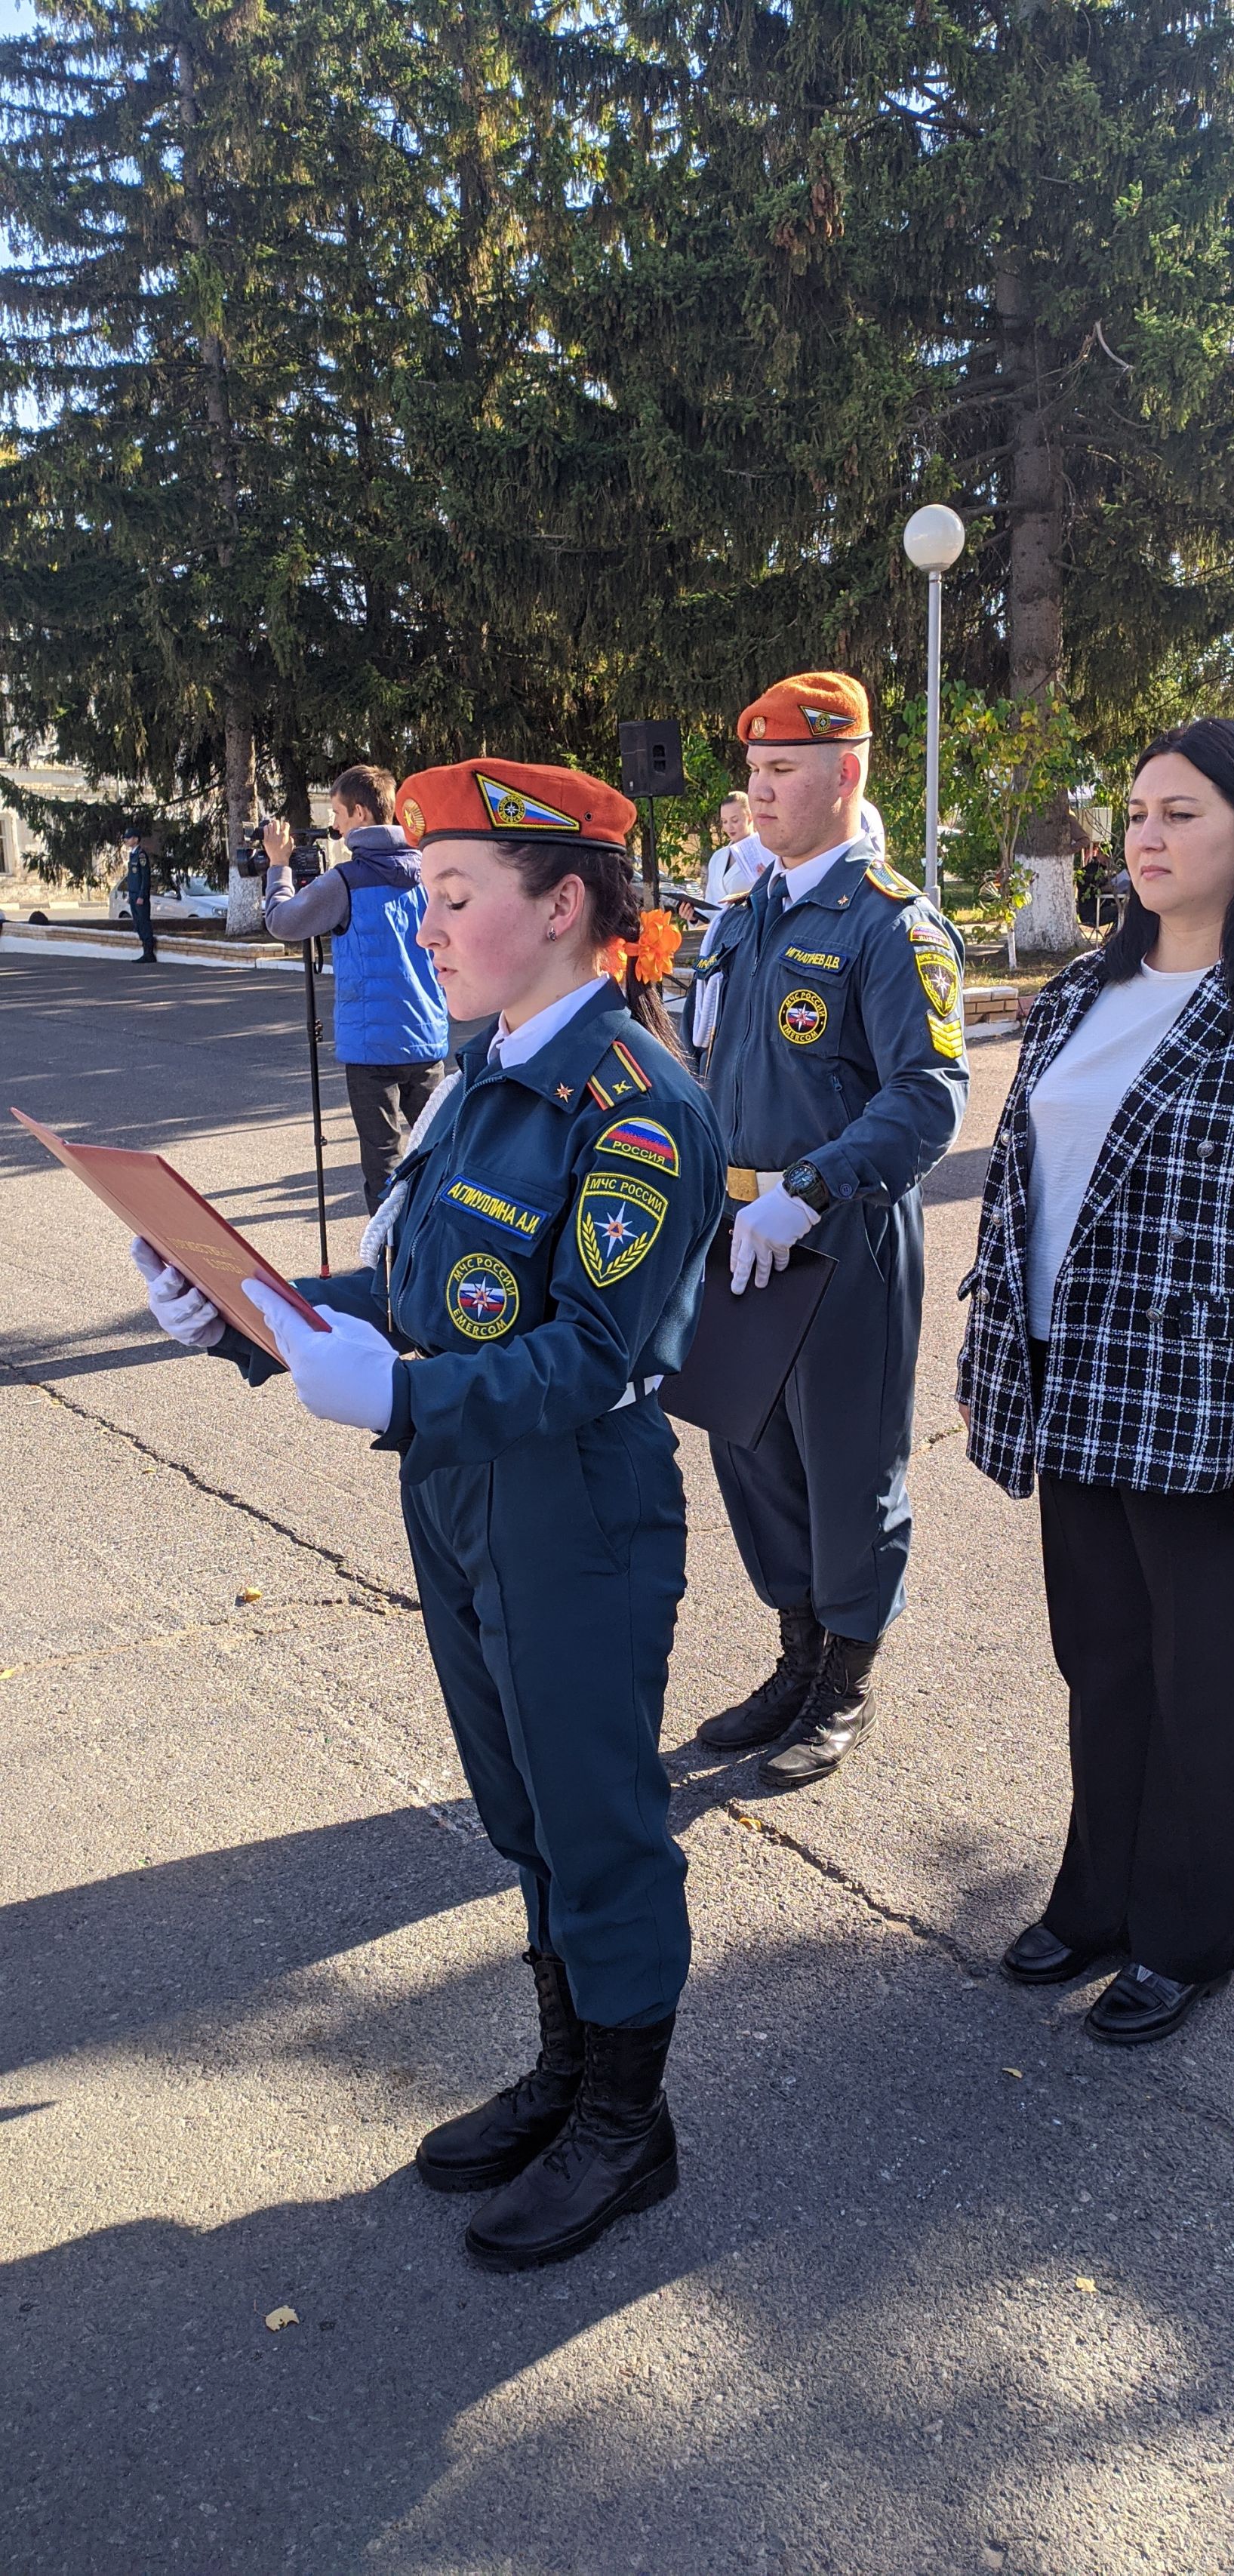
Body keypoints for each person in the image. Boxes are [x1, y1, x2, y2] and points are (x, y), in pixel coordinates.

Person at [131, 756, 726, 2268]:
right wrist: (248, 1309)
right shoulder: (483, 1065)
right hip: (460, 1492)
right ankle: (564, 2065)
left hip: (572, 1500)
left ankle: (626, 2120)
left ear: (567, 903)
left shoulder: (637, 1106)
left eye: (458, 895)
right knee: (520, 1798)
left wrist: (395, 1397)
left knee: (597, 1817)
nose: (428, 923)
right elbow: (414, 1292)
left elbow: (592, 1350)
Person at [957, 718, 1234, 2045]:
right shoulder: (1090, 986)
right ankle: (1099, 1896)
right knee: (1101, 1662)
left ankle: (1194, 1928)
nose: (1146, 837)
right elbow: (1019, 1190)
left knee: (1201, 1677)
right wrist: (994, 1363)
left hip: (1210, 1408)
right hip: (1075, 1379)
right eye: (1138, 812)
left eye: (1182, 813)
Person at [691, 671, 968, 1786]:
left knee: (848, 1463)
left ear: (845, 773)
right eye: (752, 772)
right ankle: (797, 1653)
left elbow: (930, 1093)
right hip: (736, 1225)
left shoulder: (893, 922)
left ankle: (846, 1678)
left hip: (835, 1229)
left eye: (781, 773)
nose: (757, 793)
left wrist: (808, 1185)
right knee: (749, 1448)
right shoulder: (750, 910)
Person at [261, 765, 450, 1213]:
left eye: (340, 816)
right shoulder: (431, 871)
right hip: (427, 1039)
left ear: (361, 814)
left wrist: (278, 867)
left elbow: (282, 922)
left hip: (371, 1050)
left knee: (384, 1166)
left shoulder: (346, 880)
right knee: (439, 1157)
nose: (336, 826)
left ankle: (388, 1270)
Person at [121, 827, 157, 964]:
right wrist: (131, 894)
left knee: (144, 922)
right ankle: (145, 950)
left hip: (140, 896)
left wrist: (142, 895)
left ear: (136, 839)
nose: (126, 840)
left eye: (129, 838)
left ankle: (149, 953)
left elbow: (145, 878)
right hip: (134, 895)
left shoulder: (141, 855)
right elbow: (133, 878)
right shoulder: (133, 855)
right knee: (137, 923)